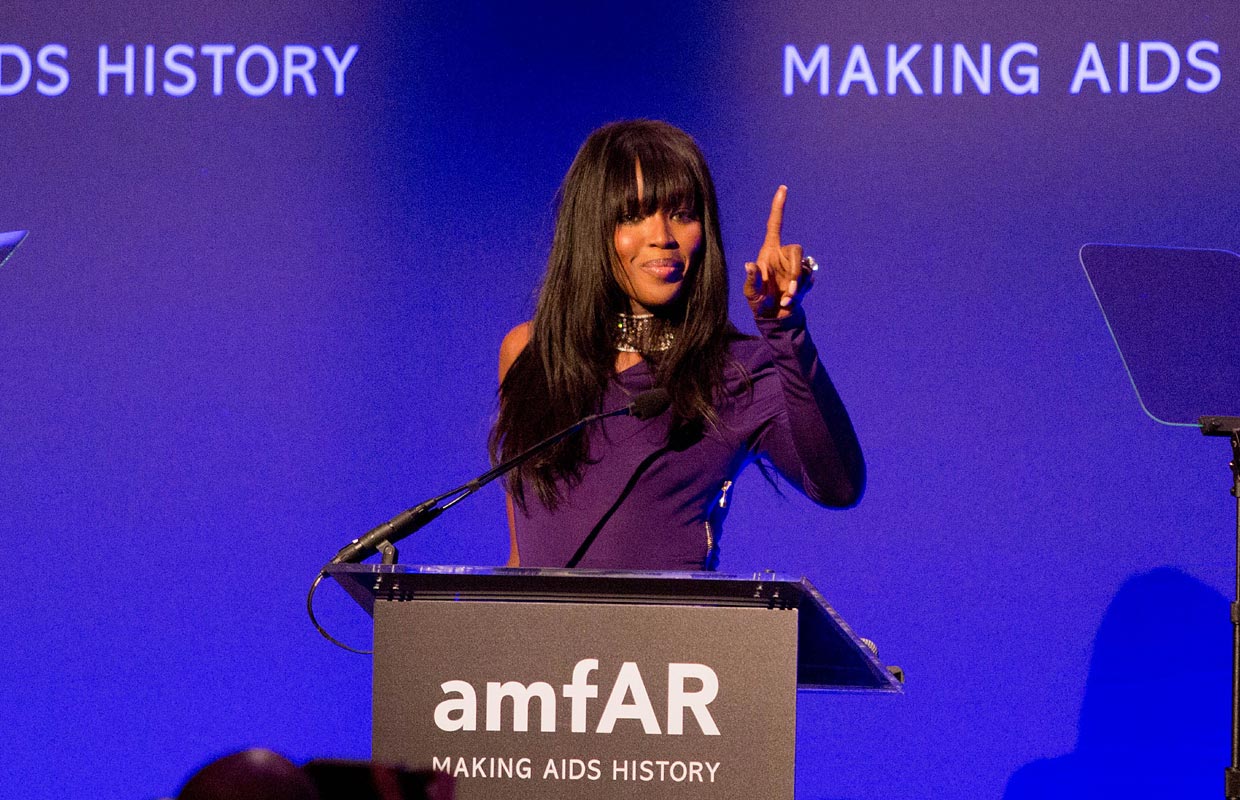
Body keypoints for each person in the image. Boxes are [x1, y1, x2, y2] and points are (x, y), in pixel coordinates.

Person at [490, 119, 863, 570]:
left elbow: (839, 486)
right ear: (590, 228)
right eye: (632, 216)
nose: (663, 236)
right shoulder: (529, 352)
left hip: (666, 637)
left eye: (682, 215)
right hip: (538, 638)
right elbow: (520, 555)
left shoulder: (735, 370)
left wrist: (786, 329)